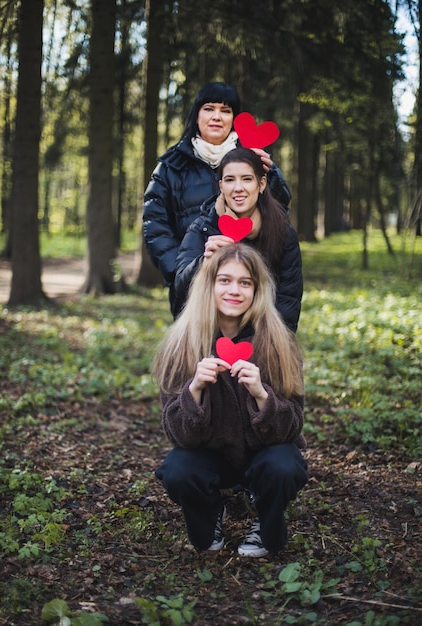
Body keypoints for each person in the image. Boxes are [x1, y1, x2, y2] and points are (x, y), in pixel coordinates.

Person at [152, 244, 308, 557]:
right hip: (210, 456)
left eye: (245, 282)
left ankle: (266, 522)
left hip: (262, 456)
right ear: (208, 285)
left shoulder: (278, 340)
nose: (234, 290)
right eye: (224, 280)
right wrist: (194, 388)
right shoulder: (182, 342)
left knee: (284, 464)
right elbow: (177, 434)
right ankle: (210, 513)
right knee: (178, 468)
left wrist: (262, 395)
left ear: (257, 290)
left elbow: (292, 425)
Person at [143, 82, 291, 310]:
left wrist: (272, 174)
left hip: (246, 282)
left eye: (225, 110)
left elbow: (280, 213)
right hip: (194, 284)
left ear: (234, 118)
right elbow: (155, 225)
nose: (217, 117)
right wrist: (182, 273)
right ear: (196, 114)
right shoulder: (171, 166)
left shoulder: (253, 161)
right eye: (209, 108)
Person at [172, 147, 302, 331]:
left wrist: (266, 349)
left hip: (263, 338)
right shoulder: (202, 228)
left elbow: (288, 301)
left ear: (262, 183)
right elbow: (180, 290)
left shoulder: (282, 232)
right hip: (209, 335)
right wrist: (204, 262)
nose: (238, 188)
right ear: (221, 186)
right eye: (230, 180)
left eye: (247, 179)